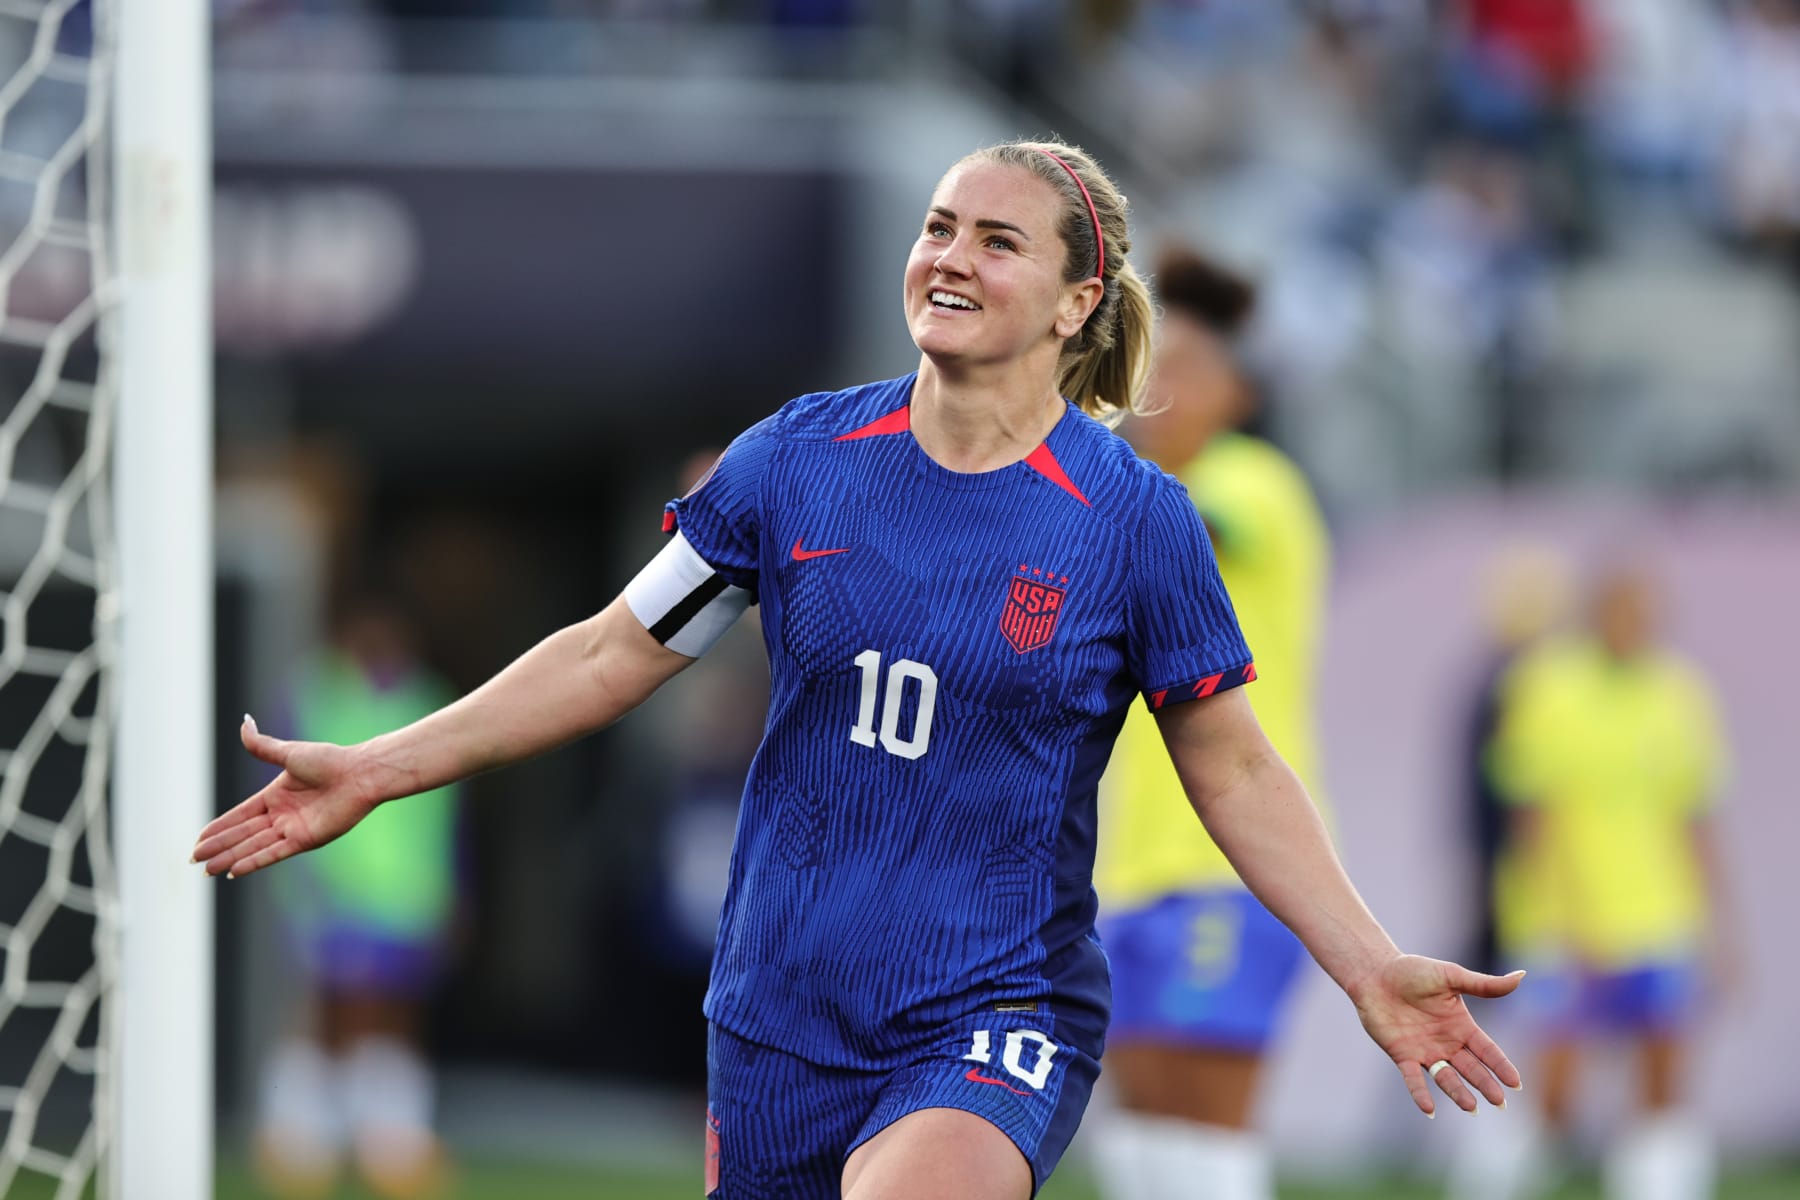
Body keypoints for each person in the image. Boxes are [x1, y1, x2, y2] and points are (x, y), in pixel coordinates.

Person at [193, 138, 1524, 1200]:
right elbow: (614, 650)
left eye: (996, 240)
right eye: (939, 225)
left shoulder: (1135, 521)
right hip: (777, 1008)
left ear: (1075, 303)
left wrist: (1365, 964)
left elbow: (1230, 762)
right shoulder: (796, 460)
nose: (949, 254)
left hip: (994, 1008)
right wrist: (379, 766)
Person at [1089, 246, 1330, 1200]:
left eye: (1185, 371)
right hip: (1136, 866)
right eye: (1151, 368)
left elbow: (1195, 524)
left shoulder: (1252, 485)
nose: (1160, 391)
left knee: (1209, 1149)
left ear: (1237, 393)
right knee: (1146, 1147)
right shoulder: (1129, 505)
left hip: (1231, 865)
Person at [1449, 561, 1734, 1200]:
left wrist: (1719, 928)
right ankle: (1487, 1182)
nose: (1633, 626)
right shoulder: (1546, 688)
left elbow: (1695, 818)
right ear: (1593, 614)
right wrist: (1567, 917)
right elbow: (1530, 818)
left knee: (1663, 1087)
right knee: (1552, 1090)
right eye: (1620, 610)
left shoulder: (1681, 694)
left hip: (1661, 919)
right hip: (1562, 922)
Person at [254, 585, 462, 1199]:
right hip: (332, 888)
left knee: (395, 1014)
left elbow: (448, 813)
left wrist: (453, 886)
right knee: (333, 1011)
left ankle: (391, 1140)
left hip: (411, 895)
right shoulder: (312, 693)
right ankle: (298, 1138)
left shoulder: (432, 700)